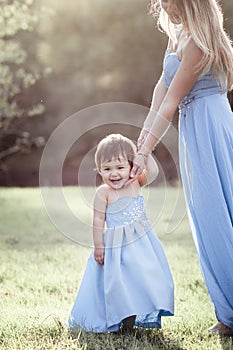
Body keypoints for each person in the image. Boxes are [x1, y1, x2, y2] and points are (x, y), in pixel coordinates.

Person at [130, 0, 233, 336]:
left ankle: (229, 316)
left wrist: (146, 149)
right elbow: (159, 94)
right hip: (194, 128)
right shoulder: (178, 35)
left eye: (172, 4)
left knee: (217, 216)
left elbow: (173, 101)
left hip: (209, 126)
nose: (167, 11)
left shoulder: (199, 45)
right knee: (207, 217)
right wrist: (139, 146)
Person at [68, 134, 174, 333]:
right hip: (116, 247)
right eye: (107, 169)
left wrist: (145, 152)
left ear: (131, 167)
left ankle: (133, 318)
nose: (114, 174)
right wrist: (99, 246)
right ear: (99, 170)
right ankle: (120, 321)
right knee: (119, 284)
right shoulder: (103, 193)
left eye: (120, 167)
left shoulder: (136, 182)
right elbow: (98, 220)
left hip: (141, 244)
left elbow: (153, 171)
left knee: (141, 280)